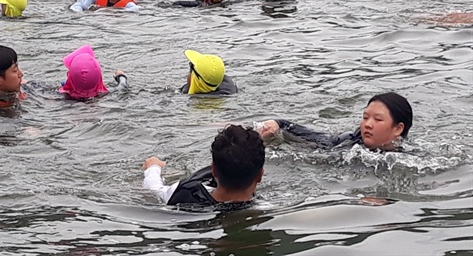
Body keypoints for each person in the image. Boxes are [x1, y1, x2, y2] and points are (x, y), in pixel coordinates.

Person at [142, 125, 265, 208]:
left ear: (213, 170)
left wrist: (153, 167)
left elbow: (153, 188)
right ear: (260, 175)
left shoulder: (183, 195)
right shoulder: (264, 208)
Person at [256, 92, 413, 152]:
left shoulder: (414, 160)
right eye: (365, 117)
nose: (367, 124)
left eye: (377, 119)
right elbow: (314, 137)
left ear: (398, 128)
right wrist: (279, 123)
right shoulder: (348, 141)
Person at [59, 45, 128, 101]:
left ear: (70, 78)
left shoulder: (61, 96)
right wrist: (120, 76)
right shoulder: (103, 94)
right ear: (99, 77)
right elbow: (122, 86)